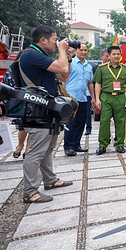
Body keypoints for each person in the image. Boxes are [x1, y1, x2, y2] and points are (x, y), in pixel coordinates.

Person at [19, 25, 73, 203]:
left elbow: (64, 76)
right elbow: (62, 68)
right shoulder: (32, 54)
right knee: (36, 152)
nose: (57, 42)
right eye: (54, 39)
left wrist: (68, 57)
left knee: (48, 149)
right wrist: (62, 50)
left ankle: (50, 180)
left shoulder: (42, 57)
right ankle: (30, 191)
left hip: (47, 110)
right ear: (43, 40)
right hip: (37, 110)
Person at [94, 46, 126, 155]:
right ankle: (103, 144)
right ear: (109, 55)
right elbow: (98, 84)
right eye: (114, 54)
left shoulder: (125, 69)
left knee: (120, 121)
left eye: (118, 54)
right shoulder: (102, 68)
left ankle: (120, 144)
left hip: (120, 97)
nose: (116, 56)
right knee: (104, 121)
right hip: (106, 97)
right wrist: (97, 99)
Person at [63, 43, 94, 156]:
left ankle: (76, 144)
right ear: (76, 51)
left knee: (81, 123)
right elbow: (63, 79)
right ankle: (68, 146)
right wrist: (64, 95)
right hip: (71, 97)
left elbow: (90, 83)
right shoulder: (70, 63)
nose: (84, 52)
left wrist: (93, 98)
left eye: (85, 50)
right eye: (81, 50)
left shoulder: (88, 66)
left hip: (83, 98)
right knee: (71, 123)